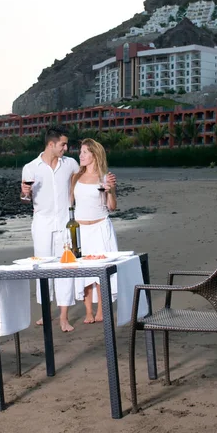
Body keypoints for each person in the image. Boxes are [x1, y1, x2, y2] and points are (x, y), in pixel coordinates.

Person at [21, 126, 79, 332]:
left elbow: (80, 183)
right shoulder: (30, 168)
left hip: (64, 224)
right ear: (51, 144)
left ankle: (63, 317)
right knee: (43, 269)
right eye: (63, 144)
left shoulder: (70, 164)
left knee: (65, 267)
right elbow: (26, 199)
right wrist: (24, 193)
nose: (66, 147)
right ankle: (46, 313)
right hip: (42, 225)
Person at [71, 138, 118, 324]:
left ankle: (101, 309)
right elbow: (69, 203)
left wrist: (110, 191)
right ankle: (88, 311)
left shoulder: (105, 177)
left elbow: (112, 207)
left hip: (100, 226)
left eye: (84, 152)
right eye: (80, 152)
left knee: (101, 268)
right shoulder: (75, 177)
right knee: (83, 270)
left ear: (94, 155)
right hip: (81, 229)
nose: (80, 155)